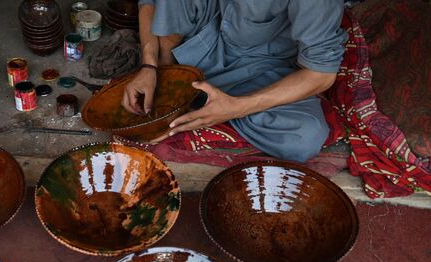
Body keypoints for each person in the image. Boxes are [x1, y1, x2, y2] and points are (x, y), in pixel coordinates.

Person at [122, 0, 347, 163]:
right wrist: (149, 65)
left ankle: (209, 107)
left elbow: (320, 74)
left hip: (261, 68)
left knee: (304, 137)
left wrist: (237, 108)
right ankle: (171, 83)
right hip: (192, 46)